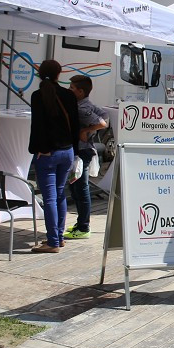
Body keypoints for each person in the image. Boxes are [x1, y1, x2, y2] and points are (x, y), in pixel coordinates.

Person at [28, 60, 79, 253]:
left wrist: (40, 148)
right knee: (59, 194)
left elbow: (38, 126)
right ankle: (58, 236)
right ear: (60, 73)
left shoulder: (37, 96)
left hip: (48, 153)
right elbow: (75, 126)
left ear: (40, 73)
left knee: (49, 197)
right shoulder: (68, 95)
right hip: (67, 151)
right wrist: (74, 150)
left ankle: (53, 241)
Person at [64, 75, 109, 239]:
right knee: (75, 187)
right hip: (83, 151)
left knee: (80, 189)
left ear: (81, 91)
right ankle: (80, 223)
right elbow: (105, 115)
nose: (69, 90)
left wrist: (84, 131)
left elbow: (103, 123)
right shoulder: (85, 104)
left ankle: (83, 227)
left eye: (72, 88)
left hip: (83, 151)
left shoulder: (81, 109)